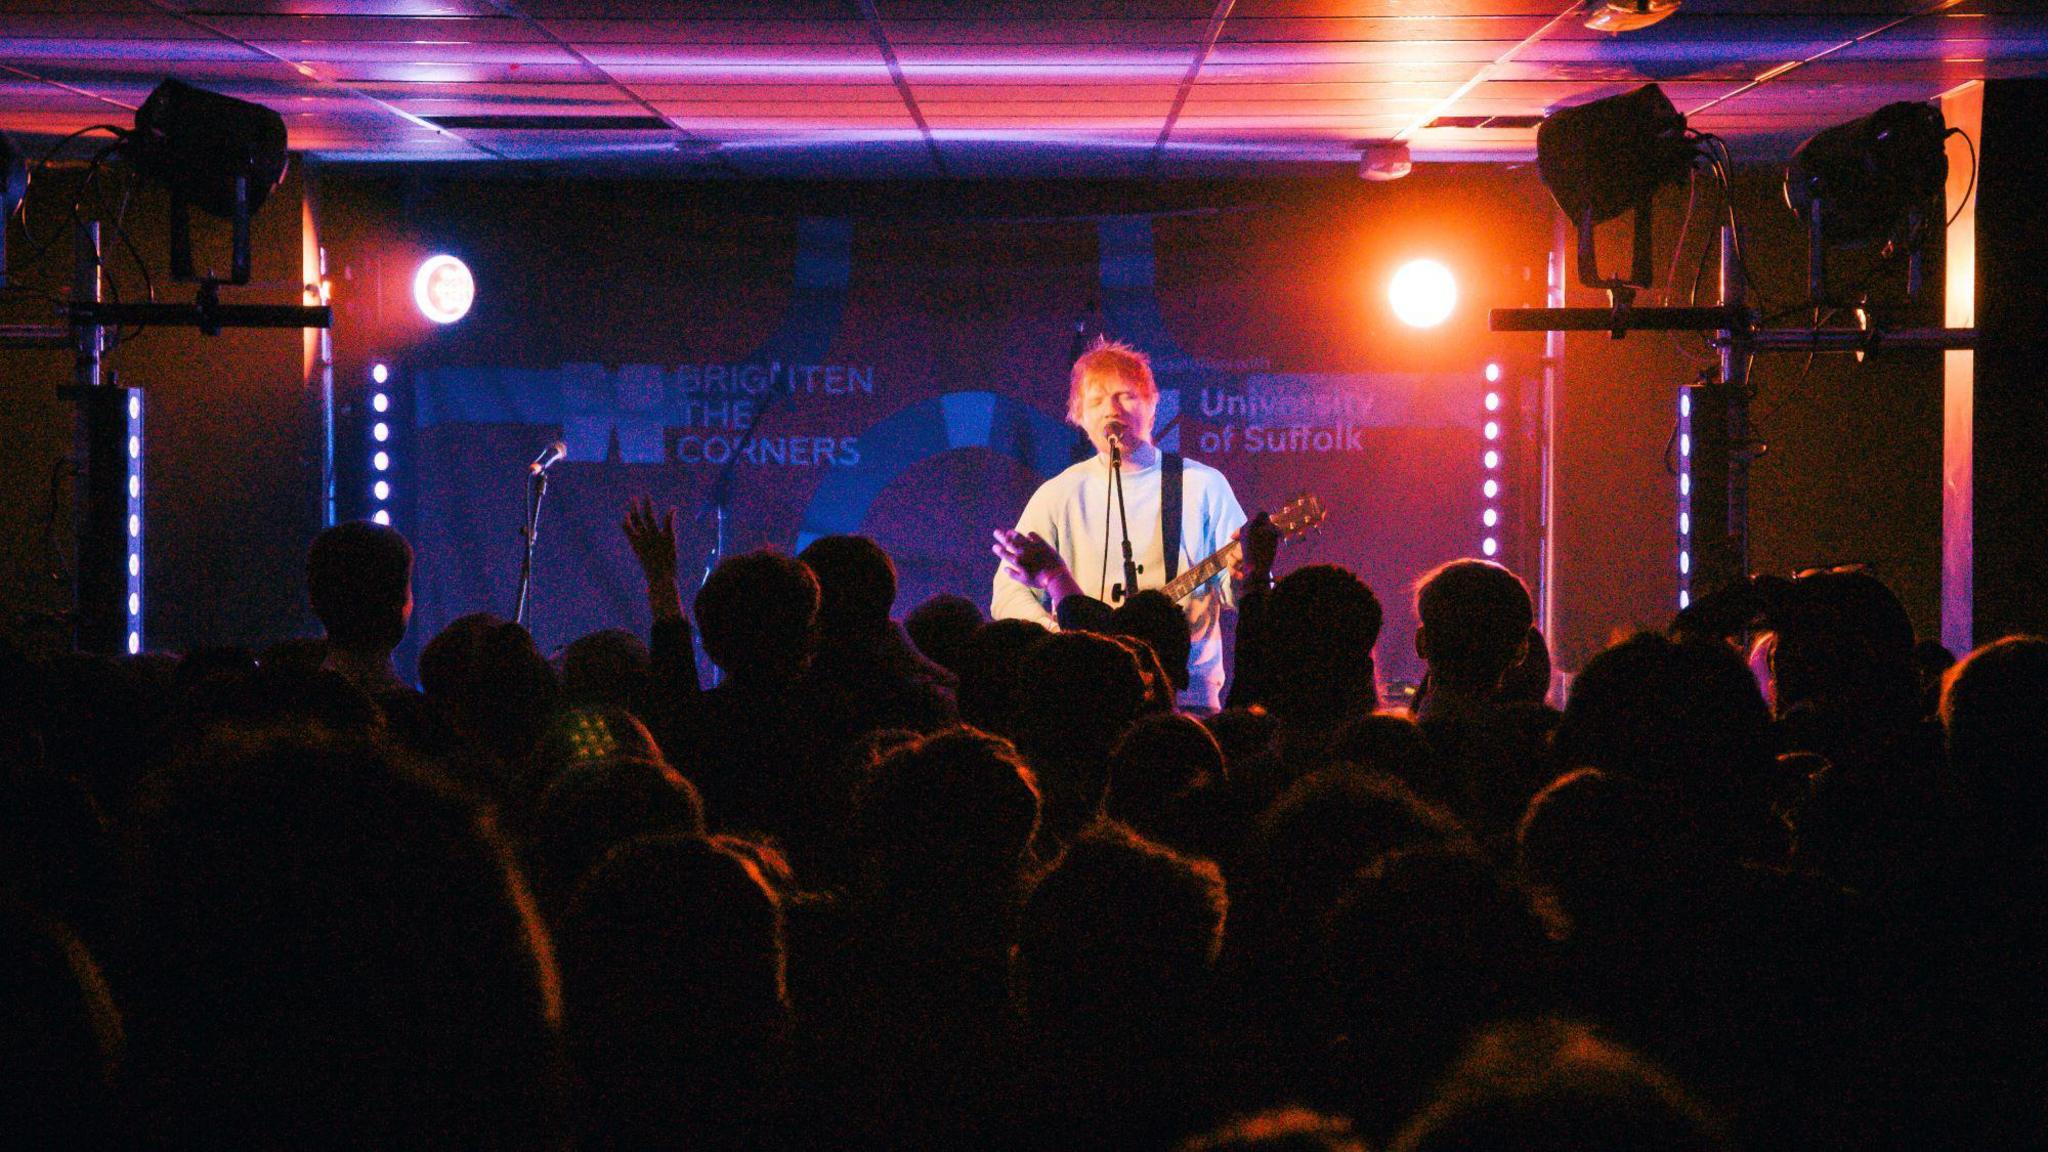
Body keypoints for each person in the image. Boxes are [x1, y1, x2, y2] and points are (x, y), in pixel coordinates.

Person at [991, 338, 1247, 711]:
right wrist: (1063, 633)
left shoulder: (1202, 485)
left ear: (1153, 404)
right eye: (1096, 401)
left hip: (1185, 698)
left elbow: (1233, 590)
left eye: (1126, 396)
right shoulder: (1057, 494)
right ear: (1078, 416)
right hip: (1081, 697)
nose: (1112, 409)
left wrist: (1242, 578)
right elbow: (1008, 594)